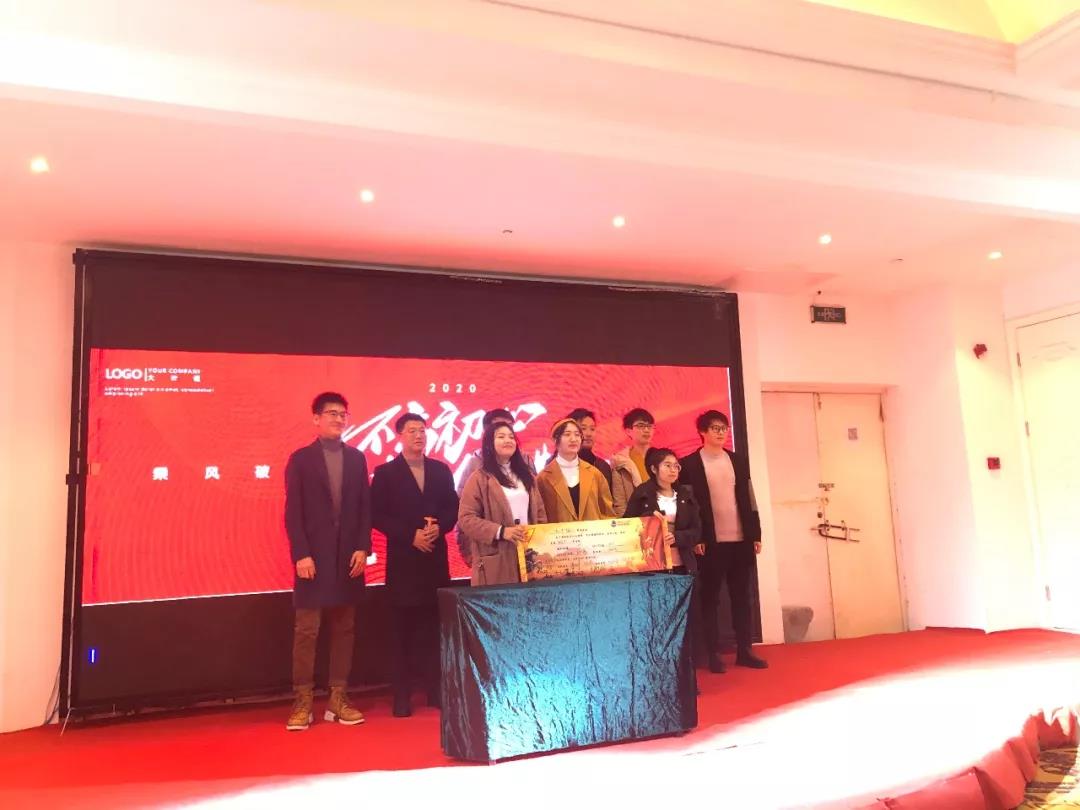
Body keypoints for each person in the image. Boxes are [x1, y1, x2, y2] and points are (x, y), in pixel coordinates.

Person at [284, 392, 371, 731]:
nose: (338, 418)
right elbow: (293, 512)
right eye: (331, 413)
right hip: (313, 559)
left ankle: (338, 697)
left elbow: (364, 507)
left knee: (344, 628)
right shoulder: (301, 459)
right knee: (307, 630)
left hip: (348, 558)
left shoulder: (357, 459)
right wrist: (301, 554)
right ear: (316, 419)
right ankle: (302, 700)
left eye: (342, 414)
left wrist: (363, 547)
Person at [371, 413, 460, 718]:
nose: (419, 435)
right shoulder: (385, 473)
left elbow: (452, 507)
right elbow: (377, 514)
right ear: (400, 436)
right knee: (403, 631)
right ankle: (402, 695)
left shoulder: (440, 470)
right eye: (412, 431)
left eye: (422, 430)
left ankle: (435, 689)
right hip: (404, 562)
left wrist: (440, 527)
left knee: (434, 628)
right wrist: (411, 535)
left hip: (435, 560)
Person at [678, 410, 768, 672]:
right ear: (702, 432)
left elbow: (750, 498)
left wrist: (755, 533)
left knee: (742, 597)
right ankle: (713, 653)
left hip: (741, 540)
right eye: (715, 428)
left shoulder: (737, 460)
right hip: (710, 542)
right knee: (710, 598)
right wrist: (697, 537)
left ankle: (744, 650)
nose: (721, 433)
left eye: (724, 428)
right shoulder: (690, 464)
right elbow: (689, 507)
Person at [458, 421, 547, 585]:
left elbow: (540, 514)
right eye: (501, 437)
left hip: (529, 556)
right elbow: (466, 518)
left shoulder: (527, 477)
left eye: (511, 437)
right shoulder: (479, 478)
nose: (508, 440)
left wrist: (540, 541)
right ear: (489, 444)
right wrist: (501, 531)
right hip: (496, 560)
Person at [623, 447, 704, 575]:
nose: (673, 470)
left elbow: (696, 531)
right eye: (667, 465)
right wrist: (649, 518)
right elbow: (627, 526)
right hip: (652, 565)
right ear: (654, 469)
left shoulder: (685, 494)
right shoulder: (642, 493)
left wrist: (677, 537)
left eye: (676, 466)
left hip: (683, 564)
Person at [535, 418, 615, 522]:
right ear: (555, 439)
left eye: (577, 435)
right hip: (560, 532)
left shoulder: (594, 473)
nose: (573, 439)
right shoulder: (543, 478)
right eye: (567, 434)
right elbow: (539, 516)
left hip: (592, 532)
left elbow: (607, 512)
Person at [610, 407, 655, 516]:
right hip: (634, 519)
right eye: (640, 426)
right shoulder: (620, 462)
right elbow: (619, 502)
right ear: (628, 431)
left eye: (649, 426)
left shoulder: (661, 458)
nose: (646, 430)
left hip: (662, 517)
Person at [567, 407, 613, 492]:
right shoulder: (555, 464)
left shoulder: (602, 467)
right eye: (583, 428)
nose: (589, 434)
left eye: (592, 429)